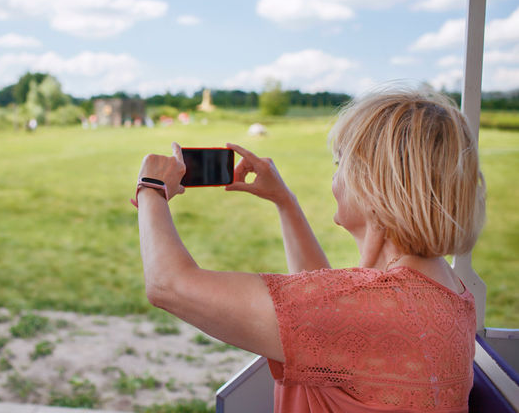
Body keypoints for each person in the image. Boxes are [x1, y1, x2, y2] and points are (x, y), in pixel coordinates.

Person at [134, 87, 485, 412]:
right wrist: (285, 203)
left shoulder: (369, 310)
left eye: (340, 164)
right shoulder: (453, 294)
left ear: (372, 183)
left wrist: (151, 187)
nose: (335, 180)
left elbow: (169, 285)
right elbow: (332, 319)